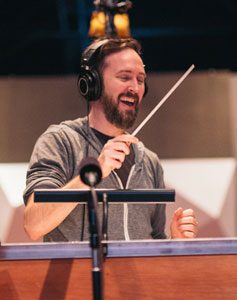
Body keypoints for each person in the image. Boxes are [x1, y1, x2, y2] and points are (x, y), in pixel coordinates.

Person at [23, 37, 198, 242]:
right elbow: (33, 224)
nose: (135, 87)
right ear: (93, 83)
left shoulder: (149, 161)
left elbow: (154, 246)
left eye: (140, 80)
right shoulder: (61, 142)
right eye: (125, 77)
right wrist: (94, 173)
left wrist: (174, 242)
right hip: (79, 275)